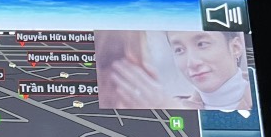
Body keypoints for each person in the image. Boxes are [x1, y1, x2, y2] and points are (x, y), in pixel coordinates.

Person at [97, 30, 252, 110]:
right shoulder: (171, 106)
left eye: (202, 44)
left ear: (235, 47)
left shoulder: (257, 100)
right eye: (179, 50)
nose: (191, 63)